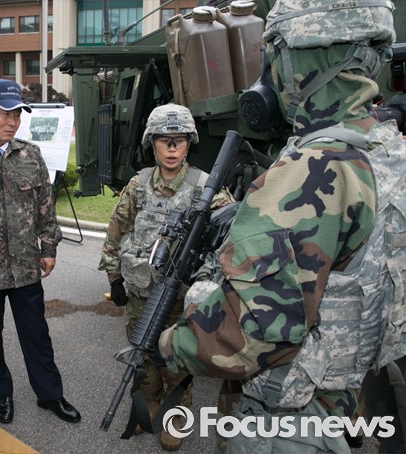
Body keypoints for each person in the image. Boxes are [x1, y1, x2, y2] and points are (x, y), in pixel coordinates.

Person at [157, 1, 402, 452]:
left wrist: (170, 341)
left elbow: (249, 337)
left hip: (286, 420)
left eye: (272, 54)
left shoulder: (312, 170)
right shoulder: (389, 148)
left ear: (294, 61)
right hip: (344, 398)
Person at [99, 102, 234, 451]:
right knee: (143, 354)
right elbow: (116, 232)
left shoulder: (206, 188)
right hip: (142, 292)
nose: (172, 149)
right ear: (152, 143)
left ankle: (175, 416)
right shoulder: (139, 184)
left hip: (183, 298)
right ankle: (149, 407)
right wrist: (114, 278)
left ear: (189, 143)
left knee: (177, 359)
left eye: (179, 140)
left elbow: (229, 242)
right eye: (164, 140)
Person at [0, 78, 81, 426]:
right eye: (5, 114)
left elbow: (45, 207)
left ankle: (50, 393)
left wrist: (49, 247)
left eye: (17, 114)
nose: (13, 121)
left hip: (25, 266)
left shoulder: (30, 154)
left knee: (37, 335)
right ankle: (1, 392)